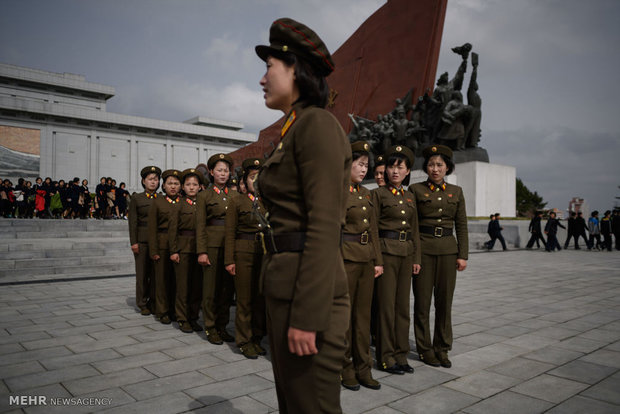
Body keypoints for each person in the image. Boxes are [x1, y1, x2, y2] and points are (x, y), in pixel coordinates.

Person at [255, 18, 351, 413]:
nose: (262, 79)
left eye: (269, 67)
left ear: (294, 68)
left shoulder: (317, 125)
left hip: (309, 298)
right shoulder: (294, 129)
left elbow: (324, 226)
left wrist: (308, 317)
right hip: (286, 288)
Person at [410, 144, 468, 368]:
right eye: (431, 165)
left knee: (444, 303)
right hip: (424, 251)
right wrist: (415, 257)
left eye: (439, 165)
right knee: (422, 303)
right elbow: (413, 226)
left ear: (447, 168)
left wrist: (463, 254)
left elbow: (461, 225)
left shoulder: (456, 192)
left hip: (447, 251)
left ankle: (442, 348)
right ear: (426, 167)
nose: (435, 169)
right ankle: (425, 349)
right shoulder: (416, 190)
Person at [372, 144, 421, 375]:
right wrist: (377, 260)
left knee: (402, 308)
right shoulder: (378, 194)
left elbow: (415, 230)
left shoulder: (410, 197)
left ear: (408, 171)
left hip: (406, 254)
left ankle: (401, 355)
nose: (394, 171)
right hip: (386, 253)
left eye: (399, 167)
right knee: (386, 308)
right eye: (391, 167)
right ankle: (385, 357)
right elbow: (372, 229)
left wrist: (416, 258)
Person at [340, 141, 383, 391]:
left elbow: (373, 229)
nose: (364, 169)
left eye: (367, 165)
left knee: (362, 318)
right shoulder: (336, 191)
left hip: (366, 260)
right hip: (345, 258)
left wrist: (378, 260)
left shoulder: (367, 194)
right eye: (360, 164)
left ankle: (363, 368)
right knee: (344, 318)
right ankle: (344, 368)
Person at [224, 158, 267, 359]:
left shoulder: (268, 201)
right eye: (252, 177)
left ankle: (257, 337)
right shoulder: (236, 201)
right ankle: (243, 340)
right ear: (245, 180)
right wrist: (229, 260)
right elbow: (230, 232)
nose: (256, 180)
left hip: (264, 253)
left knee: (260, 298)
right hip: (243, 253)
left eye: (259, 176)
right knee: (244, 299)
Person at [196, 153, 235, 345]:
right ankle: (210, 328)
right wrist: (202, 251)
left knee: (226, 290)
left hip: (230, 248)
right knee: (210, 289)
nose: (223, 174)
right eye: (219, 170)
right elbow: (200, 225)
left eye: (226, 170)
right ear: (211, 172)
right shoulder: (204, 195)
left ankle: (222, 326)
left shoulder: (235, 195)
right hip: (211, 247)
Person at [169, 168, 204, 333]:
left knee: (196, 286)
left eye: (195, 184)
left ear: (200, 187)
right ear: (183, 187)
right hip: (183, 249)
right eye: (188, 184)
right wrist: (174, 250)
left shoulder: (203, 204)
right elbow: (173, 229)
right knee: (182, 286)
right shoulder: (178, 204)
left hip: (199, 249)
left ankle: (193, 317)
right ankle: (182, 318)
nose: (191, 187)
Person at [148, 169, 181, 324]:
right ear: (164, 186)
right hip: (162, 244)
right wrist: (153, 250)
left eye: (176, 183)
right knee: (161, 280)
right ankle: (162, 311)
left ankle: (174, 309)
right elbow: (152, 228)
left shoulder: (182, 201)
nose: (173, 186)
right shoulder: (158, 202)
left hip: (178, 245)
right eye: (170, 183)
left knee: (175, 280)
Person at [128, 166, 161, 315]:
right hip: (142, 240)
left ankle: (153, 302)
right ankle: (142, 303)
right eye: (150, 179)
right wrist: (133, 242)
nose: (153, 182)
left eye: (155, 179)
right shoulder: (136, 198)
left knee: (155, 274)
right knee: (142, 273)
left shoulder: (161, 198)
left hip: (158, 242)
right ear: (143, 181)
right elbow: (133, 222)